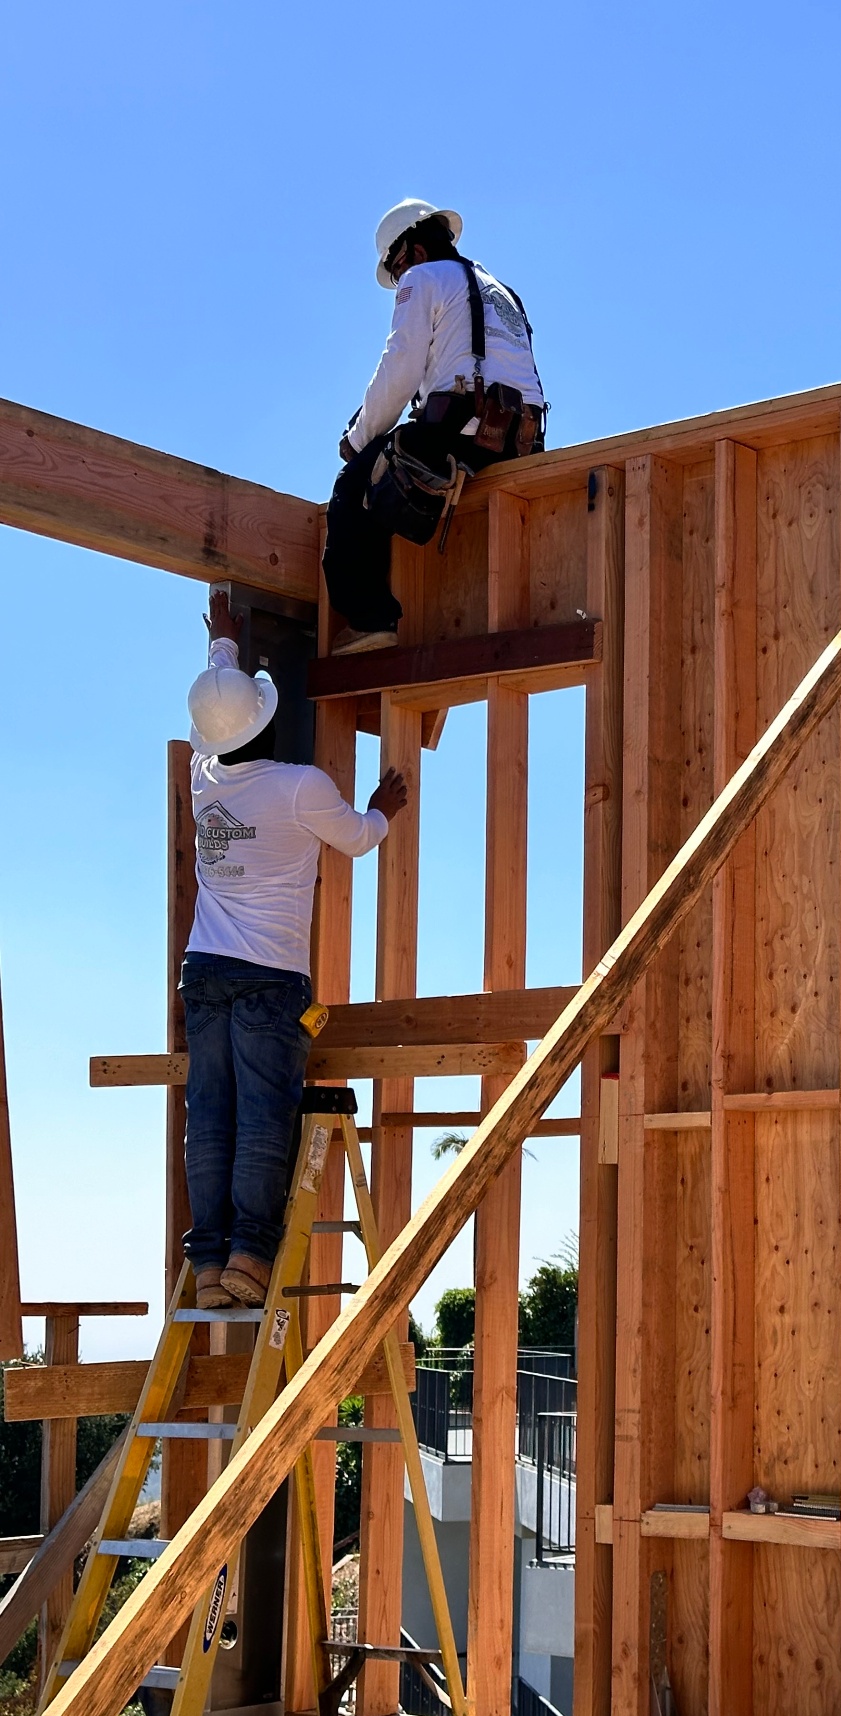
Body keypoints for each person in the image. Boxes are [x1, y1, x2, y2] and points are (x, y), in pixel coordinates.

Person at [182, 588, 408, 1310]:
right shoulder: (300, 787)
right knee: (262, 1114)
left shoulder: (202, 781)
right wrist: (383, 807)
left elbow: (211, 722)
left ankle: (212, 1262)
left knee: (211, 1111)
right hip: (270, 977)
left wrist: (222, 647)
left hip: (205, 969)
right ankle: (251, 1252)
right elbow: (362, 839)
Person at [322, 198, 546, 654]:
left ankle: (370, 620)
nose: (401, 280)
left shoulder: (423, 279)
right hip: (521, 442)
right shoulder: (501, 292)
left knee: (353, 486)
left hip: (462, 433)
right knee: (393, 461)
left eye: (398, 268)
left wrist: (359, 439)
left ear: (415, 253)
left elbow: (400, 369)